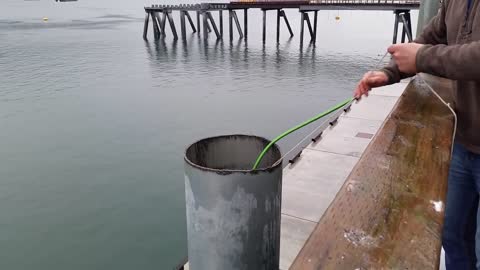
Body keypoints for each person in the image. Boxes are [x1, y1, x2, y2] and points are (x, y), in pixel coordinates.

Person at [354, 0, 480, 269]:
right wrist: (389, 72)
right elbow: (431, 36)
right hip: (463, 142)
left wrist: (421, 57)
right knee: (452, 235)